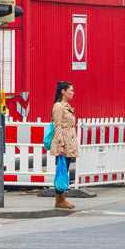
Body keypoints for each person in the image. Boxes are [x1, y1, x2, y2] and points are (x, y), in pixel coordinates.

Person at [51, 81, 78, 209]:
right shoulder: (59, 106)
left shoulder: (66, 106)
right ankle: (59, 199)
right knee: (62, 170)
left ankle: (61, 199)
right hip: (64, 143)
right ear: (63, 91)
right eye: (70, 90)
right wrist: (61, 144)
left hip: (69, 142)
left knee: (64, 170)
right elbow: (58, 126)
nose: (72, 93)